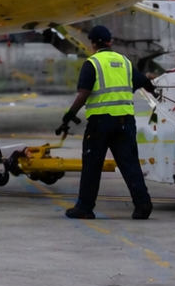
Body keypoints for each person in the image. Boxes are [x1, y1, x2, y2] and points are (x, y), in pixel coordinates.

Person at [57, 25, 154, 220]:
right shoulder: (125, 62)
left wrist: (69, 116)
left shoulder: (92, 63)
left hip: (100, 123)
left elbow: (83, 93)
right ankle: (143, 203)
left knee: (92, 165)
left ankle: (84, 207)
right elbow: (143, 82)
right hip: (125, 121)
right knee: (130, 164)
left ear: (93, 43)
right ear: (110, 41)